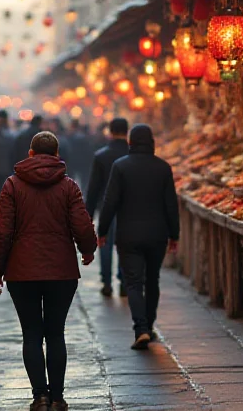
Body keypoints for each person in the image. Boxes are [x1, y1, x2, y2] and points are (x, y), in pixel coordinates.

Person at [0, 131, 97, 411]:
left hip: (22, 273)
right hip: (61, 271)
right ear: (57, 155)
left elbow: (2, 231)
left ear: (31, 153)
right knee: (56, 332)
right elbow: (82, 225)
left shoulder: (12, 185)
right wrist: (87, 249)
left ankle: (40, 397)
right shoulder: (68, 186)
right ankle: (58, 398)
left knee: (32, 334)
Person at [99, 124, 179, 350]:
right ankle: (149, 326)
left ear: (130, 142)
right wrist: (175, 234)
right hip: (157, 235)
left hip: (129, 235)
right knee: (152, 280)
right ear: (152, 142)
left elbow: (110, 201)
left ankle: (141, 328)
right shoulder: (163, 168)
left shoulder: (120, 167)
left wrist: (102, 230)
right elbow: (171, 205)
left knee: (133, 282)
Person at [85, 117, 129, 297]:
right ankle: (124, 282)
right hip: (128, 208)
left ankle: (106, 282)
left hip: (105, 207)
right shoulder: (133, 154)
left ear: (110, 132)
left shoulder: (101, 156)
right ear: (127, 132)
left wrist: (88, 213)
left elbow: (94, 187)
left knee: (104, 243)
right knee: (125, 246)